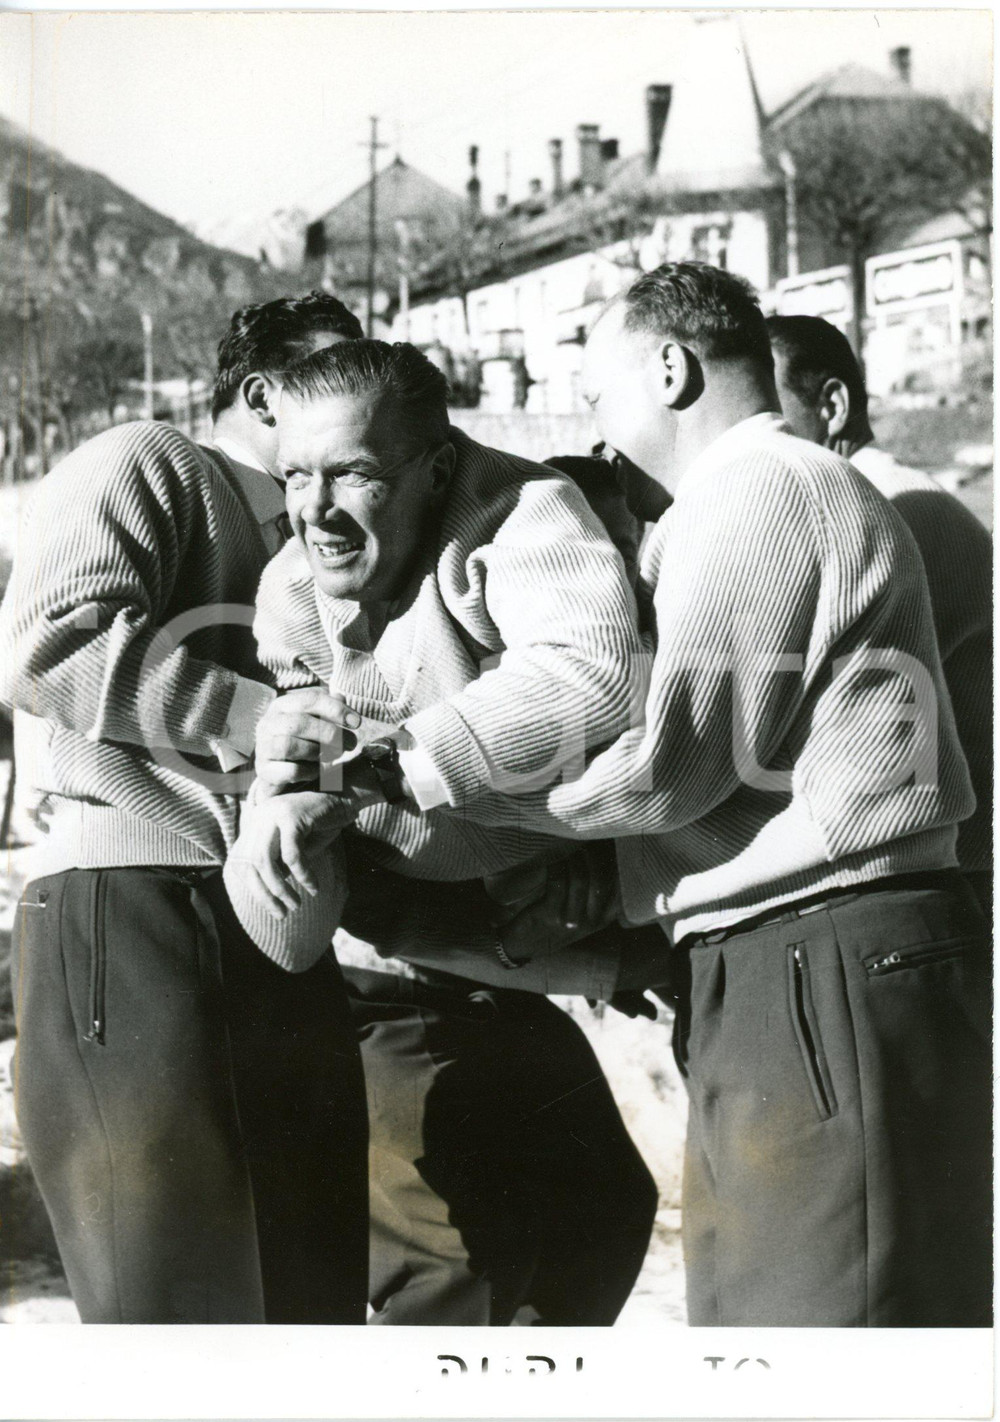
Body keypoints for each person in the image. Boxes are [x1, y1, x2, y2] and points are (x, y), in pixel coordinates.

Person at [255, 265, 990, 1328]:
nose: (597, 433)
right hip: (793, 950)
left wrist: (393, 778)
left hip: (819, 944)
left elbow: (669, 764)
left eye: (597, 394)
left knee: (822, 1324)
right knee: (786, 1310)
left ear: (669, 367)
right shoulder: (755, 494)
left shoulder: (760, 488)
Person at [226, 338, 658, 1325]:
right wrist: (284, 820)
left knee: (601, 1212)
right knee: (454, 1266)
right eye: (296, 474)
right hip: (379, 976)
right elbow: (295, 821)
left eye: (354, 476)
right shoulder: (293, 588)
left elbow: (590, 679)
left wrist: (384, 760)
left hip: (490, 957)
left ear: (434, 465)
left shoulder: (523, 511)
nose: (315, 509)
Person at [0, 291, 369, 1324]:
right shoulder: (148, 458)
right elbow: (45, 646)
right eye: (346, 374)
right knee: (179, 1324)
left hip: (268, 927)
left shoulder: (323, 539)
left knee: (303, 1316)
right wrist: (262, 718)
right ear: (261, 393)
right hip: (137, 909)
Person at [766, 313, 993, 915]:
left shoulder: (881, 510)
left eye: (767, 408)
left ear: (832, 406)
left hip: (956, 879)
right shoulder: (890, 494)